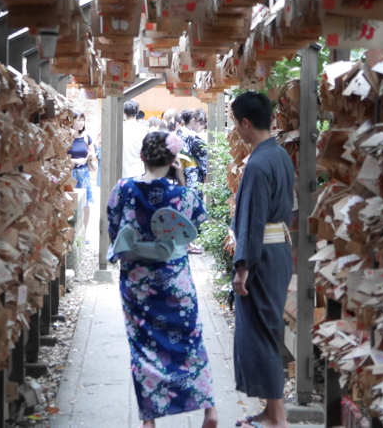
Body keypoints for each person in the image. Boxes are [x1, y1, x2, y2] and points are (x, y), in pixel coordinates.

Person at [107, 132, 218, 428]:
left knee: (143, 346)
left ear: (142, 157)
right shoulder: (184, 195)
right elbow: (194, 225)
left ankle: (150, 419)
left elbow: (114, 228)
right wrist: (179, 180)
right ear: (172, 161)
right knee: (189, 339)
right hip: (175, 279)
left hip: (138, 282)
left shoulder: (123, 189)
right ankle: (209, 409)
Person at [229, 92, 294, 428]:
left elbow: (252, 220)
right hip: (278, 250)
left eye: (234, 122)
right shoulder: (280, 155)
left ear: (245, 122)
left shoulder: (257, 163)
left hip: (262, 257)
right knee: (269, 329)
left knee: (263, 334)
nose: (235, 129)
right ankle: (271, 411)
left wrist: (243, 268)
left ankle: (278, 418)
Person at [67, 111, 97, 243]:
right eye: (78, 120)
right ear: (71, 121)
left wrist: (91, 156)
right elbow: (60, 157)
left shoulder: (86, 136)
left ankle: (83, 233)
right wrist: (75, 161)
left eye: (82, 120)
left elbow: (93, 152)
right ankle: (68, 233)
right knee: (69, 203)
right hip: (69, 173)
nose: (81, 123)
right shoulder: (66, 136)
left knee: (86, 204)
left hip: (83, 174)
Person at [122, 100, 148, 178]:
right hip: (139, 170)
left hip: (122, 170)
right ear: (137, 113)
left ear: (124, 112)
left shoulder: (119, 127)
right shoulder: (143, 128)